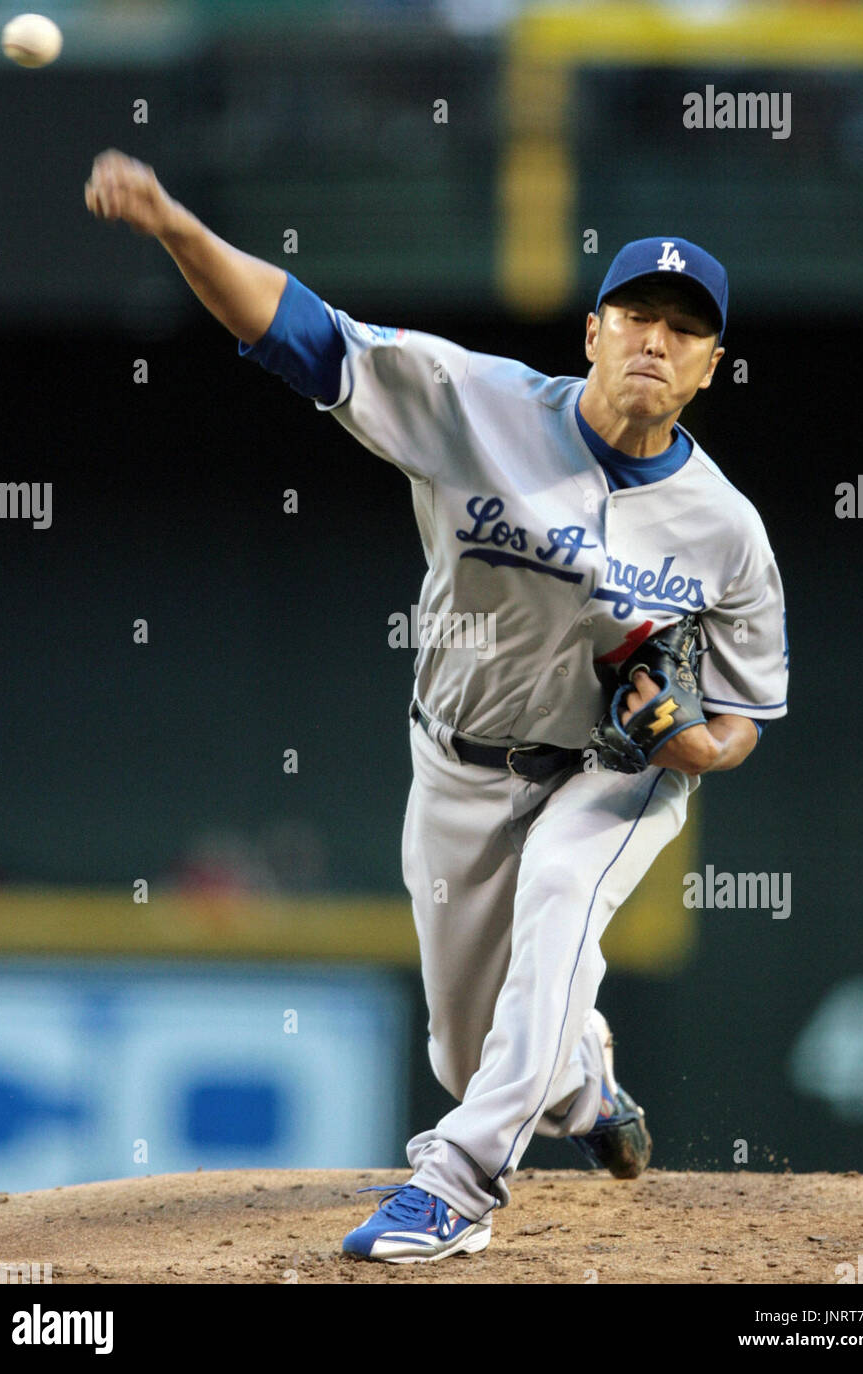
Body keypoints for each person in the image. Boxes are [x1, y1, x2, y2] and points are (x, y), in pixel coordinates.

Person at [85, 152, 788, 1264]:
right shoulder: (476, 405)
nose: (656, 339)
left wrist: (697, 743)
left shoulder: (727, 529)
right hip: (458, 760)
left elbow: (747, 715)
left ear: (710, 367)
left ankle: (454, 1183)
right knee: (468, 1052)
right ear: (593, 334)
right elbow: (298, 331)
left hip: (612, 768)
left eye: (685, 328)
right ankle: (575, 1077)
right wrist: (174, 222)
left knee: (562, 891)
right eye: (637, 314)